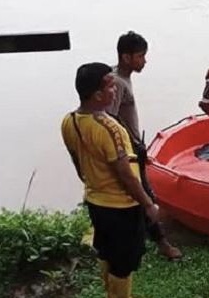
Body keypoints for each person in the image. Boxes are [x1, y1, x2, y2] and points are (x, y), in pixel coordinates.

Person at [61, 63, 159, 298]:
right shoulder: (110, 128)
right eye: (111, 88)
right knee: (124, 263)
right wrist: (147, 204)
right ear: (97, 95)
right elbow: (125, 173)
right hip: (121, 207)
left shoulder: (70, 121)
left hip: (96, 201)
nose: (115, 91)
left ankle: (109, 291)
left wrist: (94, 183)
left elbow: (78, 163)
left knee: (106, 251)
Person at [105, 31, 182, 261]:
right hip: (128, 151)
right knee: (144, 195)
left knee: (140, 195)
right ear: (126, 57)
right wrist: (134, 146)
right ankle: (163, 244)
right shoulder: (117, 83)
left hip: (132, 147)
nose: (144, 61)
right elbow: (110, 119)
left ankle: (147, 238)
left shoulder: (117, 76)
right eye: (140, 56)